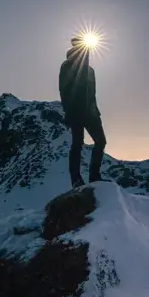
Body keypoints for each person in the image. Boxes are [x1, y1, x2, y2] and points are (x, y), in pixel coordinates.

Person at [58, 35, 106, 188]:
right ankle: (76, 180)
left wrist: (95, 110)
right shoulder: (67, 66)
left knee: (101, 141)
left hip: (91, 112)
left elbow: (92, 92)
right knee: (77, 144)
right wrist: (68, 111)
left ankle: (94, 176)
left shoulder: (90, 70)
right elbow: (64, 90)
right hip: (76, 111)